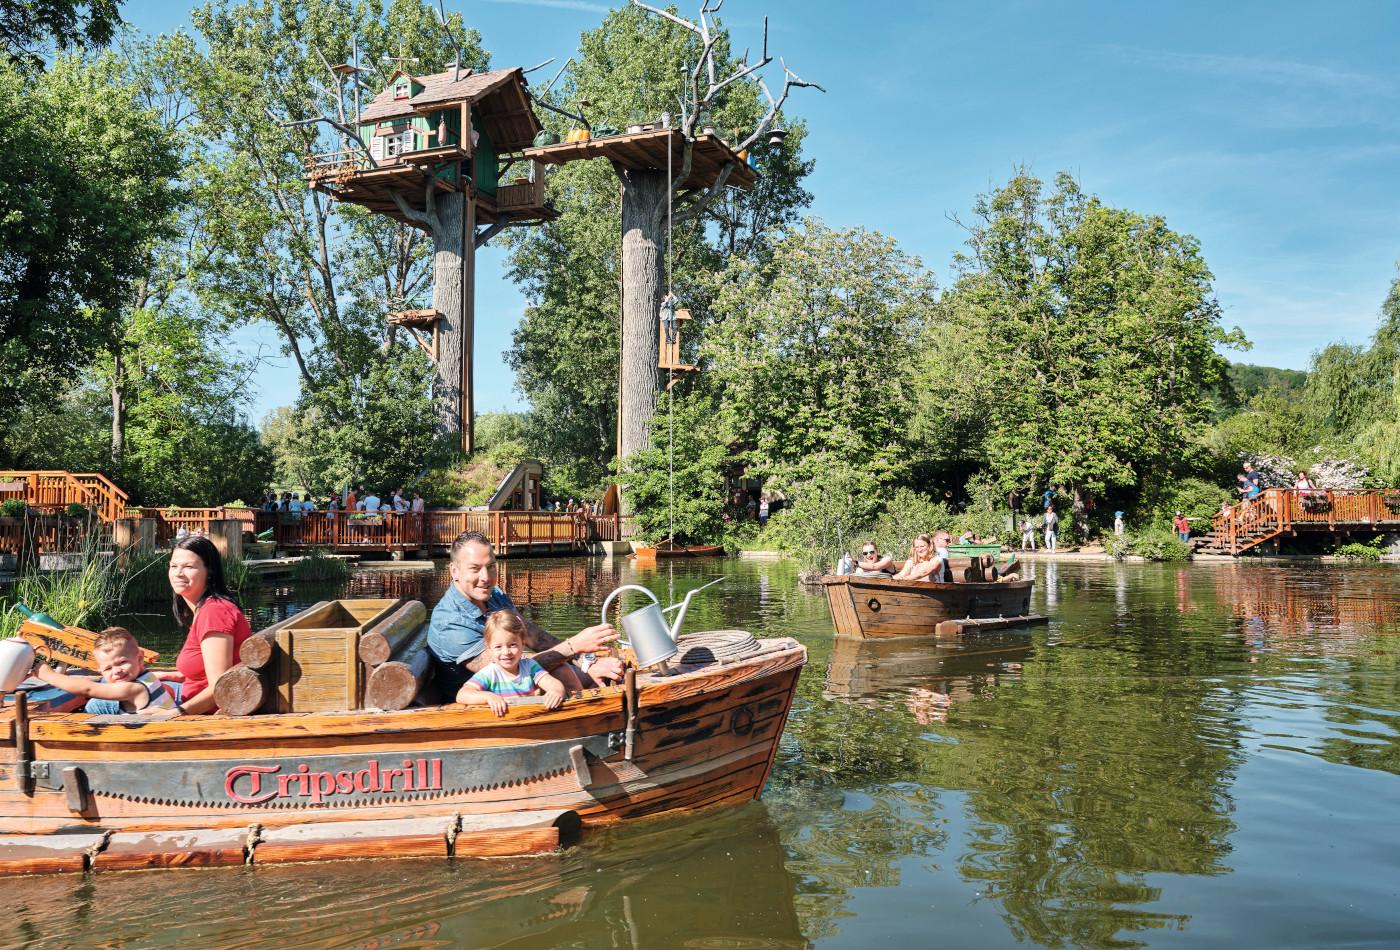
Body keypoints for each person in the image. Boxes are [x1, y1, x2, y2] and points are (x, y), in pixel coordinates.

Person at [427, 531, 623, 699]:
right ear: (455, 571)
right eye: (475, 569)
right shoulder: (450, 622)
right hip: (479, 709)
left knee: (606, 670)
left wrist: (588, 663)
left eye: (491, 566)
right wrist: (573, 646)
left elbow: (533, 636)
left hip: (514, 691)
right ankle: (588, 723)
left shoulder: (493, 595)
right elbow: (508, 667)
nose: (486, 577)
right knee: (561, 673)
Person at [162, 535, 253, 716]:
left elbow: (220, 687)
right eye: (174, 566)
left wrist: (174, 714)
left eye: (188, 567)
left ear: (209, 571)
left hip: (200, 710)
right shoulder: (204, 609)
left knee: (97, 702)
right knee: (125, 682)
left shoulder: (215, 613)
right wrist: (172, 676)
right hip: (190, 694)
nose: (178, 573)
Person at [33, 627, 178, 715]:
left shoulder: (134, 689)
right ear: (100, 671)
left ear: (140, 659)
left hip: (158, 742)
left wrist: (49, 675)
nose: (117, 671)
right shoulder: (146, 676)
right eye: (108, 668)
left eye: (122, 662)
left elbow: (88, 690)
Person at [456, 611, 566, 716]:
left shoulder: (530, 666)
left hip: (529, 717)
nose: (506, 652)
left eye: (512, 645)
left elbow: (553, 684)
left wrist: (556, 691)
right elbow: (462, 695)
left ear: (522, 645)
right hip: (502, 720)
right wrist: (489, 697)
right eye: (498, 647)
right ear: (489, 649)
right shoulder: (490, 673)